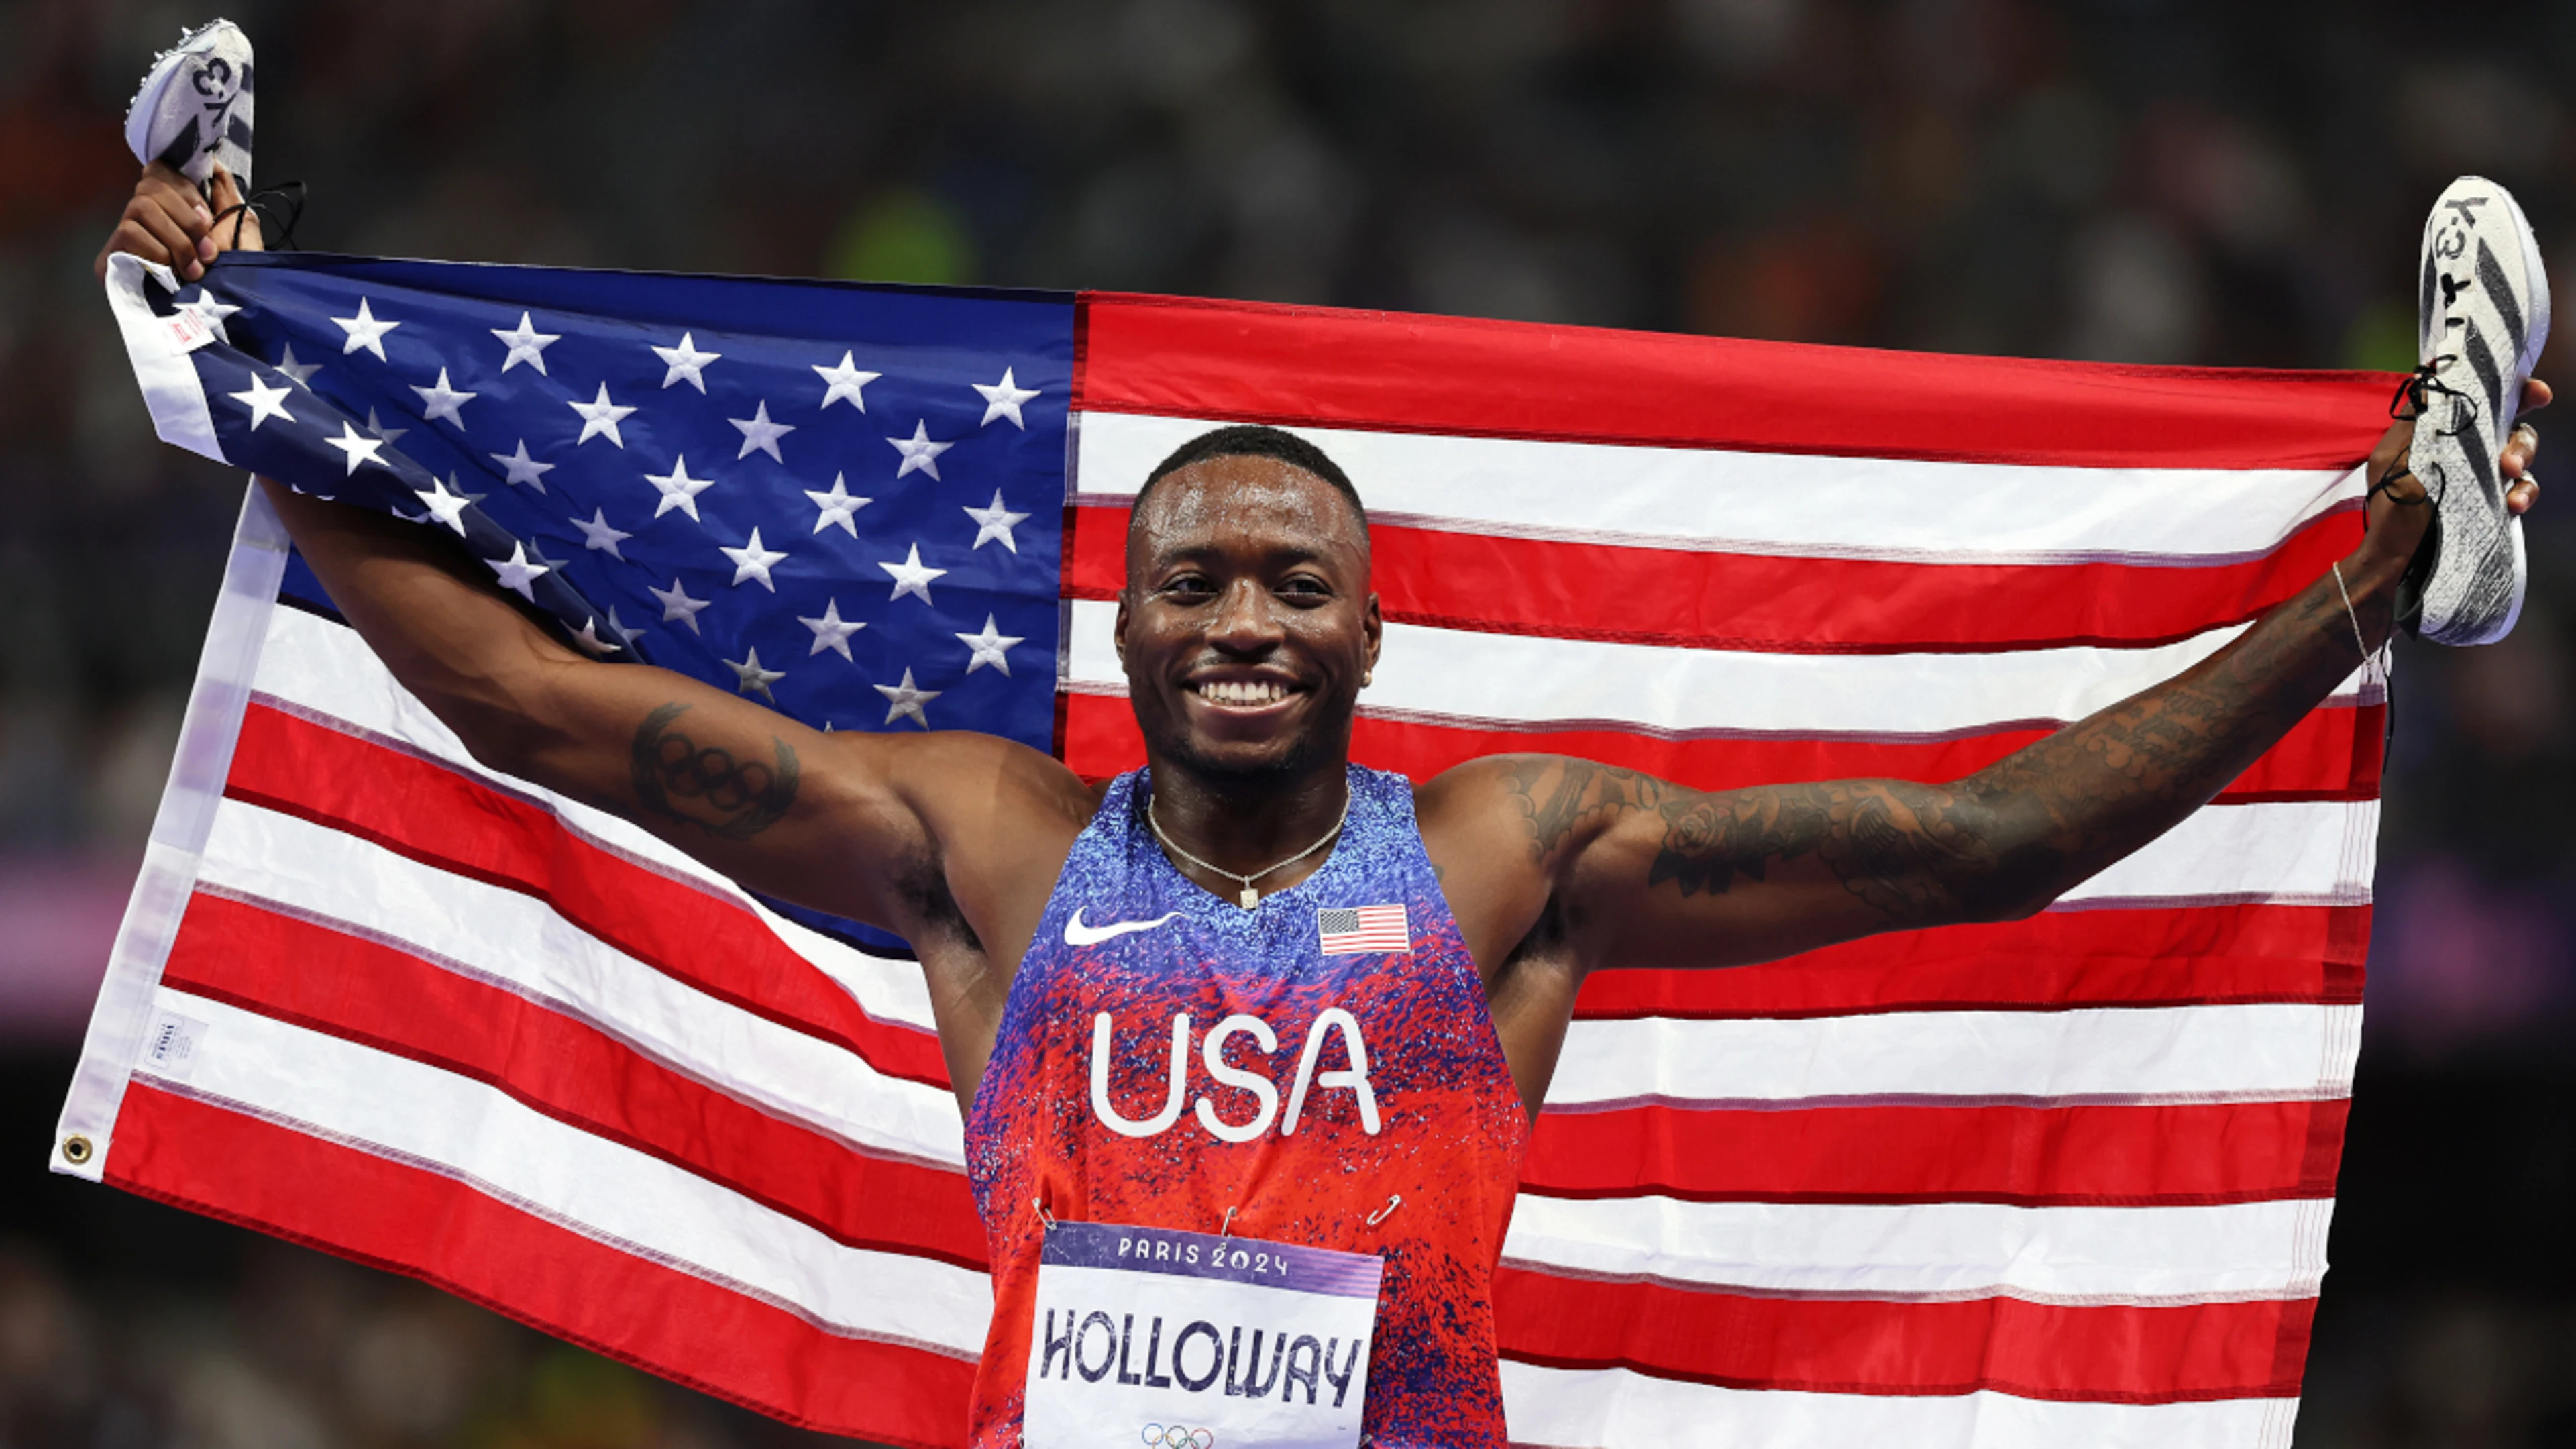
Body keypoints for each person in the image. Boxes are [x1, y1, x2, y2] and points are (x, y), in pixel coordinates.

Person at [99, 125, 2546, 1449]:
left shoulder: (1506, 857)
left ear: (1372, 636)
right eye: (1196, 579)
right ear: (1130, 629)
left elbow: (2003, 844)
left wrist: (2381, 575)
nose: (1246, 616)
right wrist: (243, 385)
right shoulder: (989, 848)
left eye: (1296, 581)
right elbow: (530, 705)